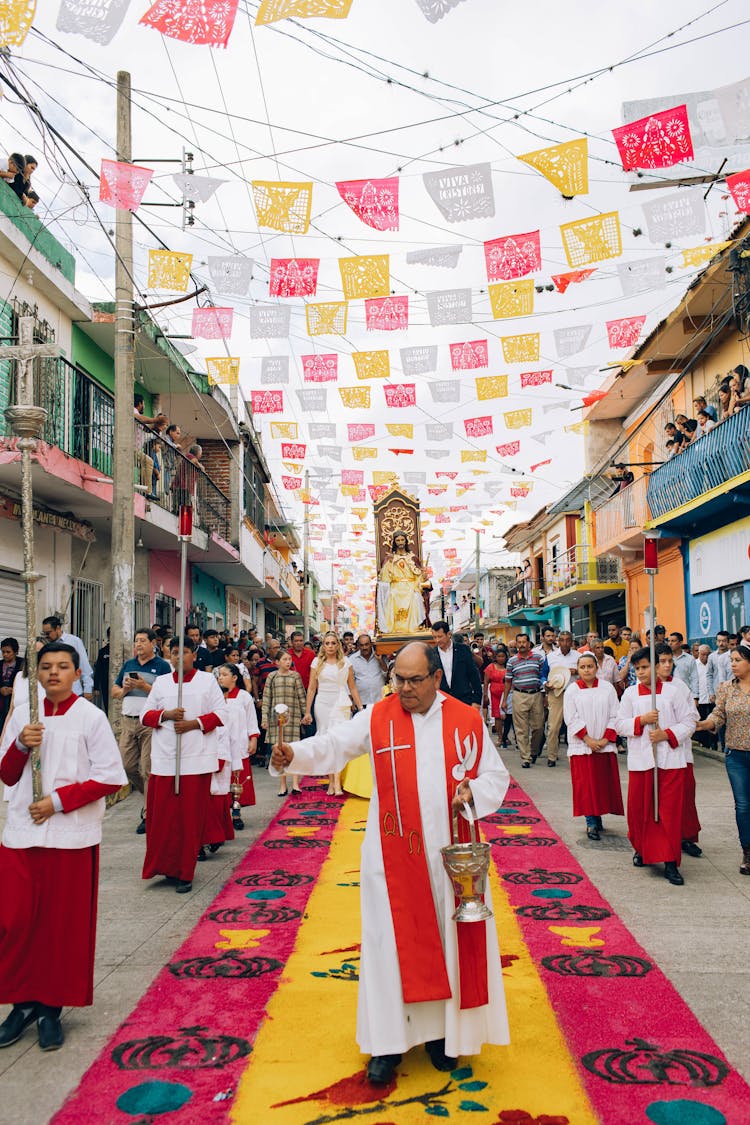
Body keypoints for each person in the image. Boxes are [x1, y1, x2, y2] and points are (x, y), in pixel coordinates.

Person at [271, 641, 510, 1083]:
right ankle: (387, 1045)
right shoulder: (379, 716)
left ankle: (443, 1037)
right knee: (387, 948)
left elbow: (495, 775)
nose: (403, 689)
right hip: (391, 854)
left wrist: (472, 793)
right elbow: (335, 745)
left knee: (446, 941)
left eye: (414, 680)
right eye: (397, 679)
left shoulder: (464, 719)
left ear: (436, 679)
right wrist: (296, 756)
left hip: (448, 858)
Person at [0, 642, 126, 1051]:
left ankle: (50, 1007)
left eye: (62, 666)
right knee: (16, 920)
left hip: (70, 834)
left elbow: (111, 777)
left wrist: (56, 802)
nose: (53, 672)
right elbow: (5, 774)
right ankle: (22, 1003)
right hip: (22, 831)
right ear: (36, 673)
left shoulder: (90, 717)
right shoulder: (23, 715)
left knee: (59, 924)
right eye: (46, 666)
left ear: (76, 673)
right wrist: (21, 744)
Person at [140, 639, 226, 894]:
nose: (179, 657)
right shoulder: (162, 683)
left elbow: (222, 713)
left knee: (188, 819)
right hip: (166, 758)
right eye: (174, 652)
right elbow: (145, 715)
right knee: (163, 818)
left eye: (184, 652)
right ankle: (165, 866)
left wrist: (193, 723)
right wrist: (165, 715)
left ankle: (185, 871)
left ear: (194, 655)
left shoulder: (207, 681)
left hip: (195, 758)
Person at [615, 647, 696, 886]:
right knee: (641, 809)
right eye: (637, 668)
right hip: (642, 760)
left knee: (669, 812)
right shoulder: (630, 694)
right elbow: (619, 724)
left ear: (656, 666)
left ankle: (670, 860)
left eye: (645, 667)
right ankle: (643, 849)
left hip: (670, 761)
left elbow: (689, 721)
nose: (641, 672)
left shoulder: (673, 692)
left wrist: (667, 734)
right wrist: (641, 721)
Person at [111, 628, 171, 835]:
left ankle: (149, 814)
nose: (138, 644)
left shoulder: (163, 666)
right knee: (127, 766)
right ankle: (154, 801)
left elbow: (167, 695)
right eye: (136, 640)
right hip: (128, 721)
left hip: (149, 723)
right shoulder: (129, 665)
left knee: (147, 768)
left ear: (153, 643)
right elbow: (115, 692)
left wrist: (145, 686)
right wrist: (128, 688)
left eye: (143, 641)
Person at [696, 644, 750, 875]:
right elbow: (718, 716)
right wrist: (701, 724)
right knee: (743, 806)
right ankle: (747, 852)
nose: (733, 664)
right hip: (736, 755)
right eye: (732, 660)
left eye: (737, 660)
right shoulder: (726, 688)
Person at [563, 651, 623, 840]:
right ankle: (590, 822)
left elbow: (616, 714)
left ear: (597, 668)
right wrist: (587, 739)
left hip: (604, 744)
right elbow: (570, 717)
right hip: (582, 746)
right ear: (577, 670)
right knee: (586, 785)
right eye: (583, 667)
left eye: (590, 666)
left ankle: (598, 817)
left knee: (601, 784)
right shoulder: (572, 690)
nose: (587, 670)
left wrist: (605, 739)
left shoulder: (607, 688)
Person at [655, 644, 702, 860]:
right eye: (662, 661)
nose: (666, 665)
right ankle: (658, 840)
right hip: (653, 755)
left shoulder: (680, 686)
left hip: (679, 751)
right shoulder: (644, 687)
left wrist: (672, 734)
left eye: (669, 661)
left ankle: (686, 837)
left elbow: (692, 718)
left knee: (684, 796)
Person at [303, 631, 363, 796]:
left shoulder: (346, 662)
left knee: (339, 741)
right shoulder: (317, 662)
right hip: (322, 703)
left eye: (333, 643)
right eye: (327, 643)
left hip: (341, 702)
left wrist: (360, 707)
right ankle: (331, 781)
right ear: (323, 646)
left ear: (338, 645)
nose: (330, 646)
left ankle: (337, 782)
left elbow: (352, 687)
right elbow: (312, 688)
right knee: (328, 741)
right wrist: (307, 711)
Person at [217, 663, 258, 832]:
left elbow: (251, 719)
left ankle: (236, 812)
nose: (220, 677)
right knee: (220, 779)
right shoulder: (215, 697)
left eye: (224, 674)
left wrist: (253, 738)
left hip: (238, 742)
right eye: (219, 674)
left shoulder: (244, 697)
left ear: (234, 677)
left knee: (237, 778)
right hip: (220, 744)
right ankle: (221, 814)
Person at [262, 650, 306, 797]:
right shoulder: (272, 677)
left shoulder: (295, 676)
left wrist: (305, 714)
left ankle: (295, 784)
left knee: (293, 750)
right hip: (277, 719)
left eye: (289, 659)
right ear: (277, 662)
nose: (288, 662)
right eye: (285, 659)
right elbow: (267, 699)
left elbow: (301, 697)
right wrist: (264, 718)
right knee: (280, 751)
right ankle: (282, 785)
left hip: (292, 718)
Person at [502, 634, 547, 768]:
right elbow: (508, 681)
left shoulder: (539, 658)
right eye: (519, 642)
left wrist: (546, 696)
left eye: (524, 642)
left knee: (538, 727)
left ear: (529, 644)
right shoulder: (512, 661)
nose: (521, 645)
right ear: (516, 644)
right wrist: (504, 700)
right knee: (521, 729)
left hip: (536, 695)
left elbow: (543, 676)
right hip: (519, 695)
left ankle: (533, 752)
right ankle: (525, 758)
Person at [377, 533, 426, 635]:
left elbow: (418, 576)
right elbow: (385, 578)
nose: (400, 543)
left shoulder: (412, 558)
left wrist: (422, 577)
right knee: (392, 596)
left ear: (406, 541)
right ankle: (394, 629)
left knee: (415, 597)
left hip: (410, 587)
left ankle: (415, 627)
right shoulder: (389, 558)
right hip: (395, 588)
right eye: (398, 540)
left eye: (402, 540)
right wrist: (390, 563)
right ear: (394, 542)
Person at [545, 631, 580, 761]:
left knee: (575, 724)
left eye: (568, 640)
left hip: (574, 694)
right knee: (554, 727)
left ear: (571, 641)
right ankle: (551, 756)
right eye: (562, 640)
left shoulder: (578, 656)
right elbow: (543, 674)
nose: (565, 643)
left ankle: (576, 754)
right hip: (556, 694)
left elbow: (586, 671)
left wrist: (577, 672)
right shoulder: (551, 657)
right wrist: (545, 684)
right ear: (558, 641)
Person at [432, 620, 483, 709]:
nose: (437, 640)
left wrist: (476, 701)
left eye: (440, 636)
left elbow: (474, 675)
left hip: (464, 701)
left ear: (449, 634)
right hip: (441, 703)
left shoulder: (463, 650)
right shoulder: (431, 653)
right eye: (434, 637)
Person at [41, 617, 94, 699]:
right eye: (44, 633)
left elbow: (84, 665)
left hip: (74, 691)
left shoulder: (74, 641)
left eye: (48, 633)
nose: (46, 636)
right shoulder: (44, 644)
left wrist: (88, 688)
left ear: (58, 628)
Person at [348, 633, 387, 707]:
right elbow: (350, 682)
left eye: (366, 644)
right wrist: (351, 700)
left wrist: (380, 660)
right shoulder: (352, 659)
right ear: (358, 646)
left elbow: (386, 673)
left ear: (371, 644)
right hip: (361, 702)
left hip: (379, 701)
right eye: (361, 645)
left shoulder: (379, 655)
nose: (364, 647)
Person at [482, 647, 507, 740]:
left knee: (508, 716)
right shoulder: (490, 667)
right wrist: (485, 695)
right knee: (497, 716)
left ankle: (506, 736)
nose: (501, 658)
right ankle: (500, 737)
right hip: (495, 694)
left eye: (503, 656)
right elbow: (486, 682)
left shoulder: (509, 666)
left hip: (507, 694)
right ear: (495, 657)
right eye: (499, 656)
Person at [668, 631, 699, 702]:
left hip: (685, 696)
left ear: (680, 642)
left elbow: (695, 679)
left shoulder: (689, 659)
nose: (670, 643)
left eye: (673, 641)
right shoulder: (666, 659)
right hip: (669, 696)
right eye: (669, 641)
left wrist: (695, 697)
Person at [0, 638, 23, 730]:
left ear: (16, 652)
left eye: (8, 652)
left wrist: (13, 690)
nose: (5, 654)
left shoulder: (23, 664)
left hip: (16, 703)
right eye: (3, 652)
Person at [93, 630, 110, 713]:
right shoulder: (103, 652)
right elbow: (98, 669)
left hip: (120, 685)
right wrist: (96, 687)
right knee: (107, 706)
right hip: (105, 684)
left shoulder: (124, 652)